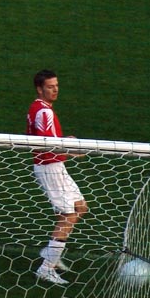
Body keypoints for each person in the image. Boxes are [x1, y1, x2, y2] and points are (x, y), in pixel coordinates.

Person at [27, 70, 88, 285]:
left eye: (56, 86)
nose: (55, 90)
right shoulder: (44, 112)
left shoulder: (40, 109)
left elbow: (48, 139)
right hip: (49, 167)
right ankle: (46, 268)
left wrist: (65, 141)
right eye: (50, 87)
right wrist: (72, 151)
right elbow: (47, 145)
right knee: (68, 216)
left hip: (55, 165)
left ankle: (50, 252)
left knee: (80, 207)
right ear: (39, 89)